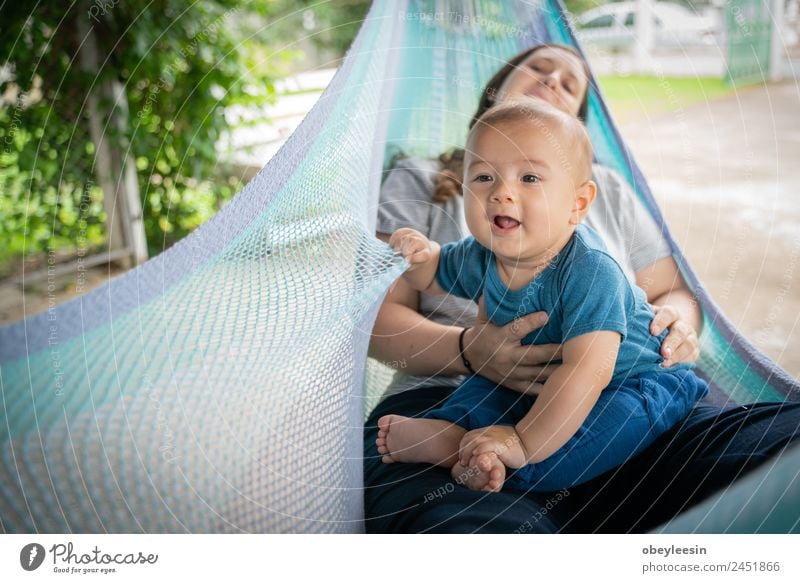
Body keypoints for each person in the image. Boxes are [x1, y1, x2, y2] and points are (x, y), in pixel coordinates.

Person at [365, 43, 800, 533]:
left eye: (569, 84)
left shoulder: (595, 250)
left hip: (624, 386)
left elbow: (623, 339)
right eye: (485, 175)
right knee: (472, 524)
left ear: (578, 197)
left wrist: (679, 318)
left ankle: (513, 456)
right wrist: (457, 327)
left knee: (782, 445)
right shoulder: (433, 191)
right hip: (452, 387)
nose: (552, 80)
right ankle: (460, 444)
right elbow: (380, 314)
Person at [377, 99, 709, 494]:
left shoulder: (590, 270)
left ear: (578, 204)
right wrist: (418, 257)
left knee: (571, 445)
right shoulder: (482, 254)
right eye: (484, 177)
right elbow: (436, 274)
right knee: (481, 391)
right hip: (538, 378)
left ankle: (484, 459)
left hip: (638, 382)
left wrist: (523, 442)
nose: (501, 193)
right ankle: (453, 432)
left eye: (529, 178)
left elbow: (587, 373)